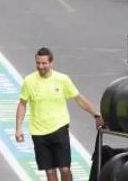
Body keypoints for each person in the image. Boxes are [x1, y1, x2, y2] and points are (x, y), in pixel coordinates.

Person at [15, 48, 104, 181]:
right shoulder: (29, 81)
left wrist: (96, 115)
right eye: (38, 63)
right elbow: (22, 104)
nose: (41, 66)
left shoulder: (62, 79)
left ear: (51, 63)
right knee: (50, 173)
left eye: (44, 63)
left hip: (59, 130)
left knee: (65, 170)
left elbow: (78, 98)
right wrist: (18, 128)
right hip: (39, 133)